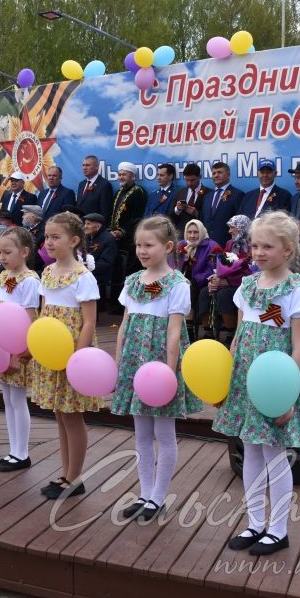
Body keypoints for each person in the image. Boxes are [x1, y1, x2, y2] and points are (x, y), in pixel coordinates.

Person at [212, 211, 300, 556]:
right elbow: (240, 334)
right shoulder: (248, 285)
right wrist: (226, 381)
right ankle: (255, 522)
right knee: (250, 450)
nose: (258, 252)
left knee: (274, 454)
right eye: (254, 245)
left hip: (275, 383)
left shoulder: (296, 291)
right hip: (246, 378)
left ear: (287, 250)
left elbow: (299, 348)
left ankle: (278, 529)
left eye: (267, 246)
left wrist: (287, 396)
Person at [113, 216, 202, 522]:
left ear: (166, 247)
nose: (142, 250)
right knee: (141, 433)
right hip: (135, 363)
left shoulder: (177, 284)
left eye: (149, 245)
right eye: (138, 244)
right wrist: (118, 361)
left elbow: (174, 332)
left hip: (161, 365)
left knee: (164, 432)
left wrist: (169, 372)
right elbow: (125, 324)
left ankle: (158, 497)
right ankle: (144, 493)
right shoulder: (133, 281)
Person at [31, 213, 102, 500]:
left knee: (72, 415)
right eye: (47, 236)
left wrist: (78, 357)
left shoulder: (83, 277)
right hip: (50, 349)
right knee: (60, 413)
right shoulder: (47, 272)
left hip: (73, 349)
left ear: (73, 241)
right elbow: (45, 312)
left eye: (55, 237)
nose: (48, 242)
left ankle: (75, 477)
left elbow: (88, 321)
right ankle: (65, 473)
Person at [0, 227, 41, 472]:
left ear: (25, 251)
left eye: (7, 252)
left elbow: (29, 319)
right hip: (0, 346)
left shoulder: (29, 280)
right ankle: (12, 450)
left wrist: (18, 354)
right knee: (7, 398)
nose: (2, 257)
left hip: (18, 349)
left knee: (17, 400)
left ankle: (21, 453)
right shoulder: (2, 277)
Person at [208, 215, 254, 341]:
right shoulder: (230, 243)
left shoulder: (252, 245)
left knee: (224, 295)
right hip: (227, 282)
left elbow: (250, 271)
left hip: (245, 283)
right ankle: (210, 331)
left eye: (232, 228)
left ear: (241, 228)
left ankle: (232, 332)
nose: (229, 231)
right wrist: (216, 278)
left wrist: (227, 281)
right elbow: (223, 264)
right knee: (206, 292)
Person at [109, 161, 149, 298]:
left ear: (132, 176)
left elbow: (137, 218)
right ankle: (115, 302)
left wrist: (123, 231)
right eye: (119, 174)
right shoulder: (119, 192)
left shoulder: (139, 192)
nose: (121, 177)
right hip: (115, 239)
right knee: (116, 271)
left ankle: (129, 301)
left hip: (131, 240)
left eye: (124, 175)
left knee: (129, 271)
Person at [177, 219, 222, 337]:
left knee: (189, 289)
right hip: (183, 279)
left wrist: (196, 278)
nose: (192, 235)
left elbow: (213, 269)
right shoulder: (182, 245)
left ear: (202, 232)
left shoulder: (211, 246)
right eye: (189, 232)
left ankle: (190, 328)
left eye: (196, 232)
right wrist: (184, 259)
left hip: (203, 281)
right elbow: (173, 265)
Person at [201, 161, 244, 246]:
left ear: (228, 175)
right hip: (207, 246)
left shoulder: (238, 195)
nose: (216, 175)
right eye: (214, 173)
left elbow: (239, 224)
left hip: (227, 246)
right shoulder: (207, 197)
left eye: (219, 172)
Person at [83, 213, 117, 305]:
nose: (85, 226)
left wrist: (86, 270)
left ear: (98, 226)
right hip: (85, 271)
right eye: (85, 223)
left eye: (88, 224)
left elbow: (106, 262)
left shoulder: (108, 239)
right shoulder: (87, 237)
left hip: (99, 273)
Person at [168, 163, 207, 232]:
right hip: (182, 235)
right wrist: (177, 209)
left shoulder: (209, 193)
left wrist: (197, 214)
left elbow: (212, 218)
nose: (189, 183)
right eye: (187, 180)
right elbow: (170, 216)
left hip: (201, 234)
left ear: (200, 177)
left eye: (192, 180)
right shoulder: (180, 192)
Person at [76, 155, 113, 224]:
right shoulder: (81, 184)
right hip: (80, 226)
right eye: (83, 165)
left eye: (87, 165)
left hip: (94, 227)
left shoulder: (104, 185)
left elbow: (105, 212)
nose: (84, 168)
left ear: (96, 167)